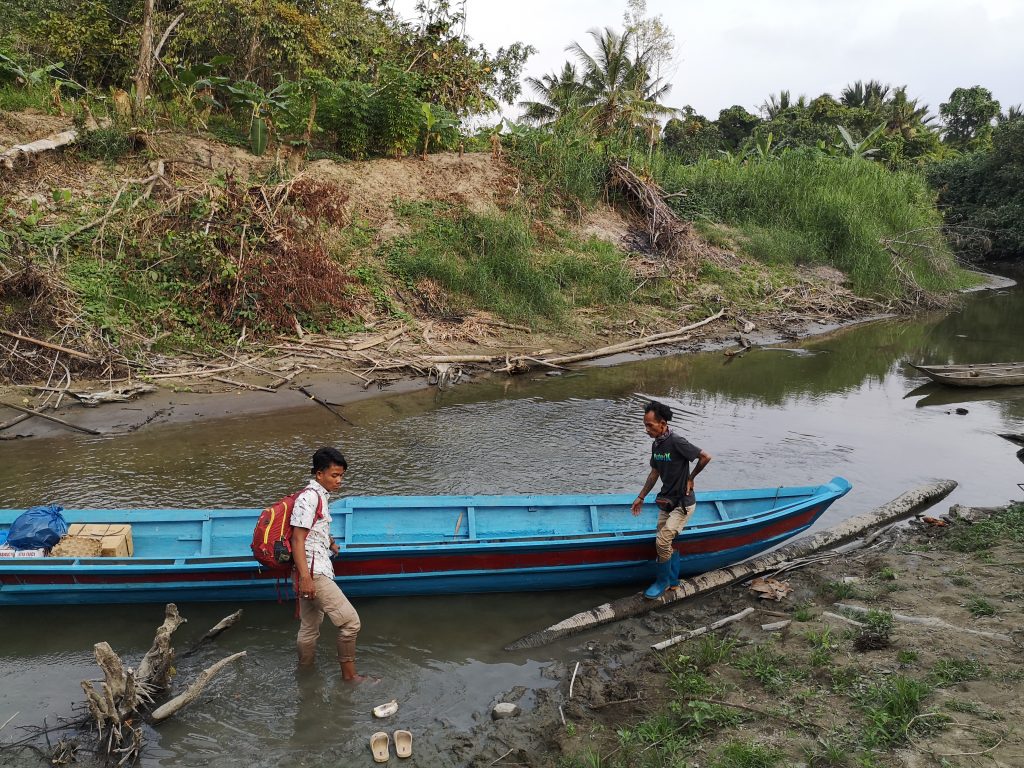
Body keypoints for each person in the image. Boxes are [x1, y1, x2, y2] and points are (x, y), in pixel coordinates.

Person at [291, 446, 369, 681]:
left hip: (309, 568)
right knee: (350, 623)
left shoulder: (318, 495)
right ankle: (350, 677)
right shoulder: (309, 497)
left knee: (310, 626)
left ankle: (305, 673)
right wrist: (305, 578)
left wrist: (330, 542)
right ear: (319, 474)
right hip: (313, 573)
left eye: (341, 475)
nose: (339, 481)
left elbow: (314, 529)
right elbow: (297, 538)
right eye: (334, 475)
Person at [630, 401, 712, 599]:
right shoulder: (656, 445)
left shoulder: (677, 441)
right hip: (667, 502)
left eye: (650, 425)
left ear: (663, 424)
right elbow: (654, 473)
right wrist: (641, 496)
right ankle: (674, 581)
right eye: (645, 425)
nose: (646, 429)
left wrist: (691, 478)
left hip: (683, 503)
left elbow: (705, 457)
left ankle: (663, 582)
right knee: (664, 541)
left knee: (663, 540)